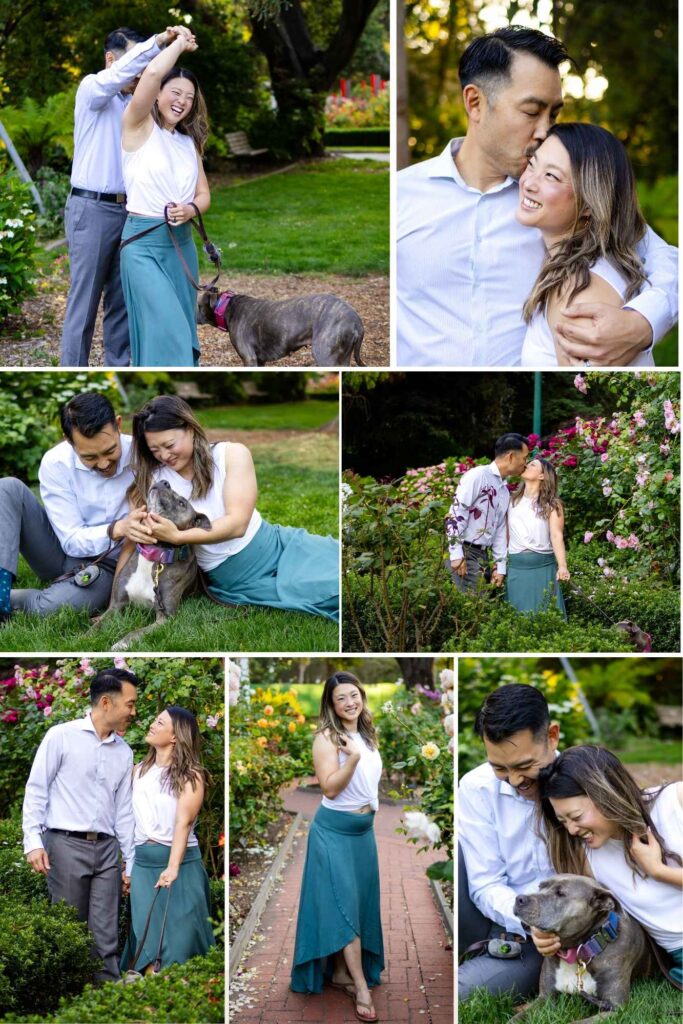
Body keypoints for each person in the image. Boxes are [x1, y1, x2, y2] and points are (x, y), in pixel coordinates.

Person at [397, 26, 678, 367]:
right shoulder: (400, 196)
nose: (545, 130)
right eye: (532, 112)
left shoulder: (561, 200)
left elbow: (667, 259)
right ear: (475, 103)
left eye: (554, 114)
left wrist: (643, 322)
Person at [124, 395, 339, 621]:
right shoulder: (155, 482)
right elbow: (136, 536)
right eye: (155, 450)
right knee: (325, 591)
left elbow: (238, 524)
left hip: (278, 545)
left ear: (190, 428)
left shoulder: (230, 454)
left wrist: (179, 536)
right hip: (237, 576)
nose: (164, 455)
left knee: (342, 563)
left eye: (169, 445)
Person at [60, 25, 187, 367]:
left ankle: (118, 367)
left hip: (131, 213)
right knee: (84, 300)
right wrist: (159, 42)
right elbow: (119, 75)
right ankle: (73, 369)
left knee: (122, 302)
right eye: (133, 61)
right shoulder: (92, 89)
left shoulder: (139, 107)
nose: (139, 71)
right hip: (92, 208)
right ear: (111, 59)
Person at [22, 668, 139, 983]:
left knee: (106, 930)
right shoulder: (61, 736)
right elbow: (37, 789)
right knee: (69, 928)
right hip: (65, 845)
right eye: (129, 704)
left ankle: (108, 998)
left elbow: (124, 811)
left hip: (107, 850)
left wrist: (130, 860)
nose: (134, 711)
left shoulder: (124, 752)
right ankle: (70, 997)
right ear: (105, 702)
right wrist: (33, 841)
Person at [534, 746, 683, 987]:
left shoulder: (674, 803)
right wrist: (543, 933)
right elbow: (579, 918)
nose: (571, 829)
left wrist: (659, 871)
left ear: (605, 793)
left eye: (577, 816)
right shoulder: (588, 859)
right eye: (563, 821)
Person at [0, 392, 155, 622]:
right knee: (7, 488)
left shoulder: (143, 455)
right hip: (60, 552)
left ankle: (19, 600)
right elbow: (70, 540)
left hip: (109, 565)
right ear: (68, 440)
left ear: (119, 424)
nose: (103, 463)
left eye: (110, 451)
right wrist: (116, 529)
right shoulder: (56, 463)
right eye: (90, 457)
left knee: (49, 610)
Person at [519, 123, 655, 367]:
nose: (528, 182)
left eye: (551, 175)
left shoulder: (577, 292)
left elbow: (584, 390)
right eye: (532, 164)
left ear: (588, 206)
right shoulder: (580, 270)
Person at [290, 672, 384, 1022]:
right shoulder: (327, 738)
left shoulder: (367, 735)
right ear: (331, 704)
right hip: (333, 834)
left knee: (359, 906)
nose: (350, 702)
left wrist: (362, 756)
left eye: (354, 695)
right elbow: (329, 789)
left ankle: (342, 973)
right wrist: (354, 759)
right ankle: (360, 985)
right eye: (341, 698)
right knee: (344, 907)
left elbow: (368, 786)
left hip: (365, 834)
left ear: (362, 696)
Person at [458, 684, 558, 1001]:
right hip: (509, 920)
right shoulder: (476, 788)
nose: (515, 780)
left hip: (560, 927)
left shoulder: (580, 781)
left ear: (552, 736)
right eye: (500, 767)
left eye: (525, 765)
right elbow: (485, 883)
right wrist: (529, 921)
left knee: (465, 994)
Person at [120, 29, 210, 366]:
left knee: (182, 331)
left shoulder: (188, 143)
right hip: (142, 246)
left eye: (189, 96)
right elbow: (155, 71)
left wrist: (190, 209)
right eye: (175, 92)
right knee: (166, 329)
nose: (182, 100)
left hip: (182, 246)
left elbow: (204, 195)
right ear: (157, 94)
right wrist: (178, 45)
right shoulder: (137, 125)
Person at [122, 706, 215, 973]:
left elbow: (183, 823)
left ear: (175, 736)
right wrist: (127, 866)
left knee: (179, 944)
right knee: (148, 940)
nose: (152, 724)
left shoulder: (191, 775)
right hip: (143, 867)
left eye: (159, 722)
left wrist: (172, 867)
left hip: (181, 867)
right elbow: (126, 820)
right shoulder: (137, 771)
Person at [446, 433, 528, 592]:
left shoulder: (503, 490)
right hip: (465, 552)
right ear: (511, 456)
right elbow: (456, 512)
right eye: (524, 458)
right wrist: (456, 554)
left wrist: (500, 566)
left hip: (482, 556)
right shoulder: (477, 476)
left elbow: (499, 530)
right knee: (473, 608)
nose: (525, 463)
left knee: (481, 606)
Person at [506, 457, 569, 615]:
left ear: (542, 476)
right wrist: (498, 563)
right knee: (517, 619)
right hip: (516, 568)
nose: (526, 465)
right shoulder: (511, 500)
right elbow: (505, 535)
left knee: (546, 618)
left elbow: (556, 535)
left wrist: (562, 566)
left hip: (543, 568)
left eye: (532, 465)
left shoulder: (552, 504)